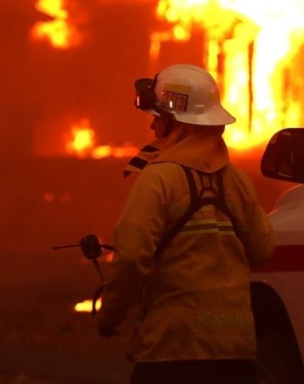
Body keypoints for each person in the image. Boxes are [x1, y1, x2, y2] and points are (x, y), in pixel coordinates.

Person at [96, 63, 276, 384]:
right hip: (236, 353)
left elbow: (132, 257)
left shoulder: (158, 179)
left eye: (158, 118)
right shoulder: (235, 181)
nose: (152, 127)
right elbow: (263, 249)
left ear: (177, 123)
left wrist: (111, 314)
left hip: (173, 349)